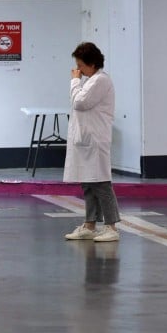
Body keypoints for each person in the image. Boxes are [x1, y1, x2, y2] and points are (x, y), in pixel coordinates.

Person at [63, 42, 120, 243]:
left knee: (102, 183)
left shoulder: (100, 81)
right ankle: (89, 224)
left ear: (93, 63)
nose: (78, 69)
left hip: (96, 140)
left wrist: (74, 82)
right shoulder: (90, 81)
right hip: (86, 140)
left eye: (80, 65)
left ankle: (111, 227)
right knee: (88, 183)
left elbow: (80, 102)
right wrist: (79, 83)